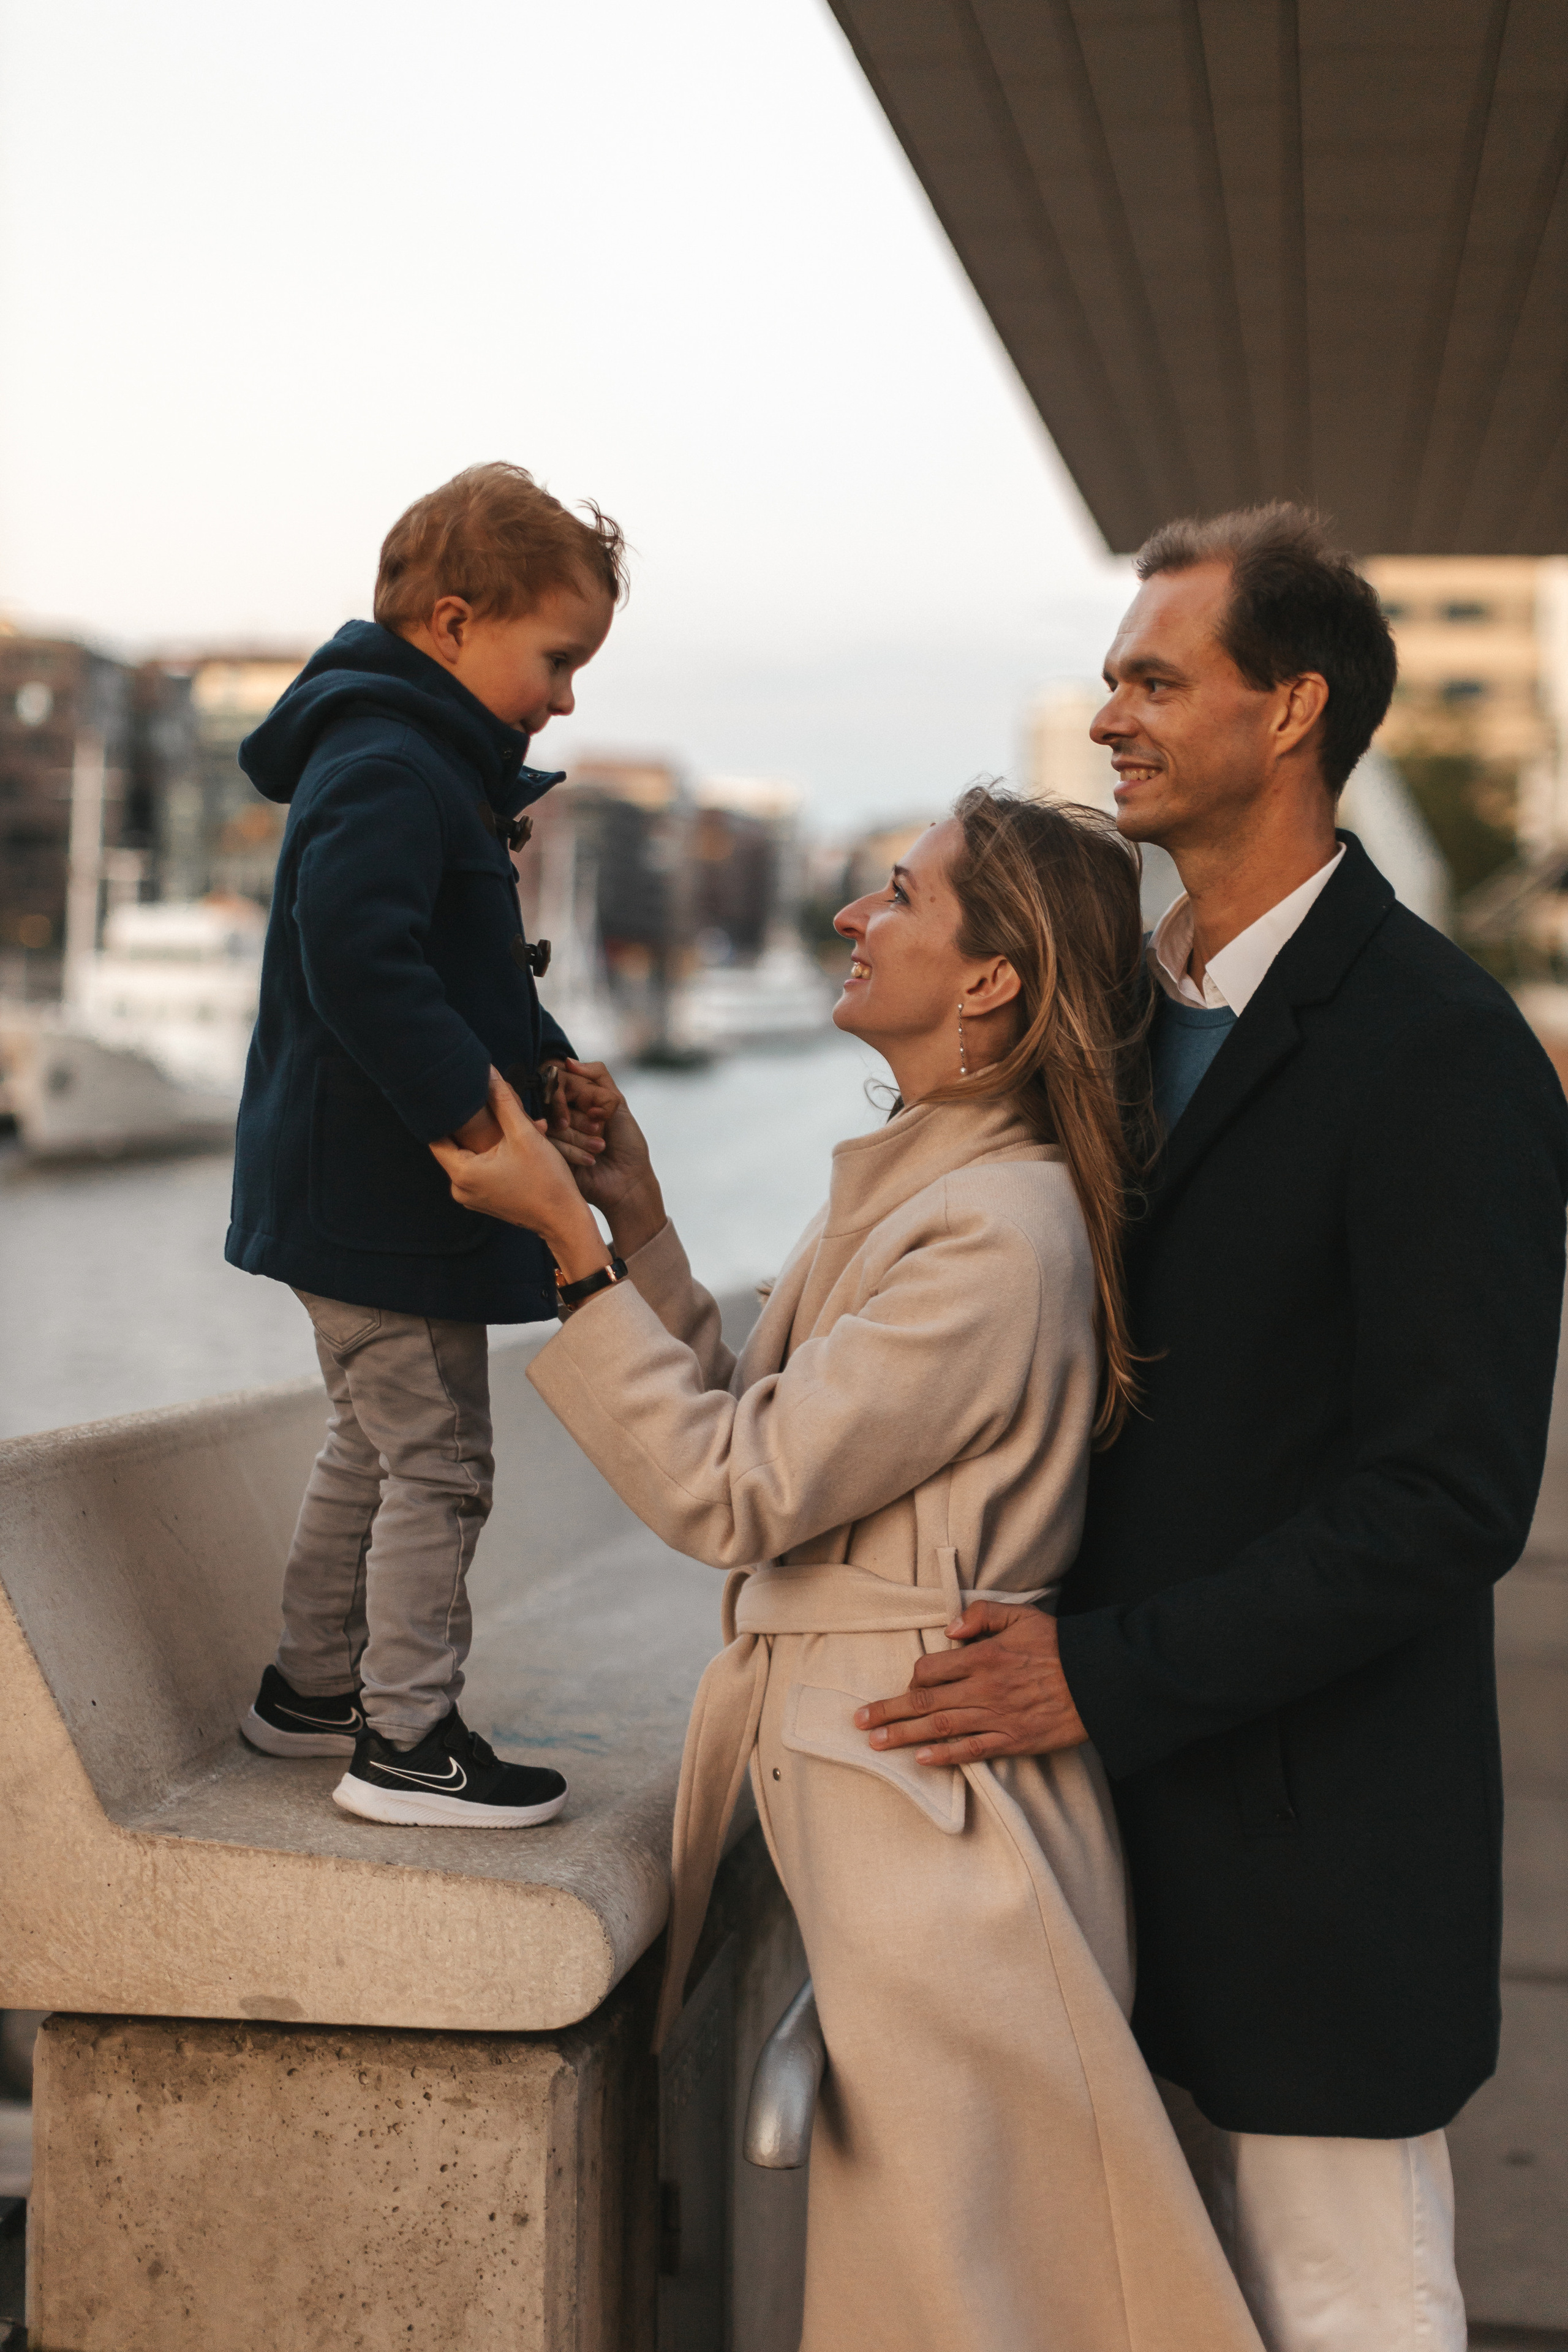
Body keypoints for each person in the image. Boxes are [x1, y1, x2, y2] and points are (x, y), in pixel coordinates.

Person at [856, 506, 1568, 2352]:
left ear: (1295, 709)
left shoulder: (1442, 1046)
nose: (1113, 716)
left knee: (1348, 2314)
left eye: (1158, 679)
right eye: (1110, 679)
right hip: (1082, 1843)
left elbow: (1447, 1496)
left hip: (1308, 1847)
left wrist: (1102, 1675)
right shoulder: (1107, 1019)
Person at [432, 787, 1264, 2352]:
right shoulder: (934, 1182)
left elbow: (726, 1491)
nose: (849, 919)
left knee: (985, 2295)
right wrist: (638, 1221)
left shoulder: (993, 1231)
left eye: (895, 895)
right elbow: (765, 1430)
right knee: (951, 2287)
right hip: (885, 1792)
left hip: (927, 1815)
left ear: (989, 978)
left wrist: (566, 1247)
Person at [227, 461, 624, 1828]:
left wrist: (545, 1065)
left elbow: (454, 972)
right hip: (388, 1191)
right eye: (555, 658)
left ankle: (309, 1691)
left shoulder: (408, 759)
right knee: (442, 1459)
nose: (567, 696)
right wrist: (481, 1127)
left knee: (372, 1441)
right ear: (453, 623)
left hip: (349, 1184)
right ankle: (404, 1743)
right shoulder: (392, 763)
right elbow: (360, 960)